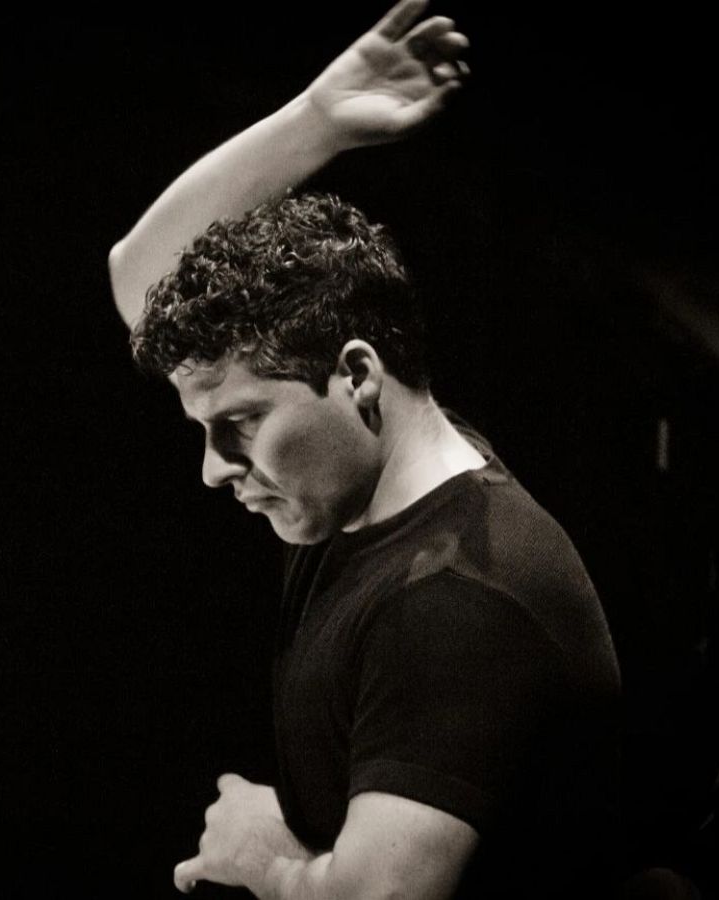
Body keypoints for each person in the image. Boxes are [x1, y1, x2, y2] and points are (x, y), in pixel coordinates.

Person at [107, 2, 623, 898]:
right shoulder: (375, 483)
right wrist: (318, 121)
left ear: (356, 374)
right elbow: (138, 275)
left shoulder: (461, 606)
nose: (213, 468)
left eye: (239, 424)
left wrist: (266, 859)